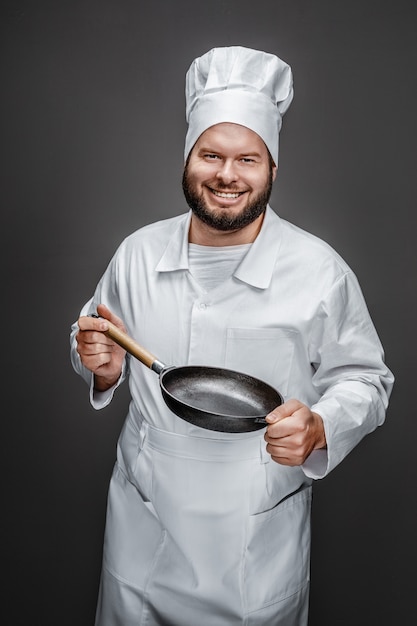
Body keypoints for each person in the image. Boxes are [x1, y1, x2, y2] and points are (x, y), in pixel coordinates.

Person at [70, 46, 394, 625]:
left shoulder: (318, 270)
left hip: (253, 543)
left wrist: (321, 426)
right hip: (141, 530)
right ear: (187, 157)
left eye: (248, 159)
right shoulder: (137, 254)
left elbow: (366, 378)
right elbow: (97, 336)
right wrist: (99, 364)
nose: (226, 175)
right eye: (211, 155)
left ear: (273, 168)